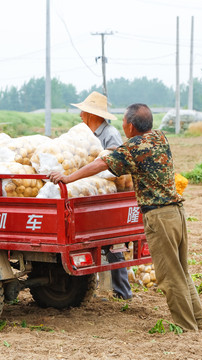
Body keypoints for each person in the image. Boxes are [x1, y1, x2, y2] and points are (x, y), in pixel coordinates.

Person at [49, 103, 202, 331]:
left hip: (159, 216)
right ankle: (198, 321)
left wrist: (68, 178)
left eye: (123, 122)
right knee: (181, 270)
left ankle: (187, 328)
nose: (122, 126)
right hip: (177, 213)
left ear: (130, 126)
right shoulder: (160, 138)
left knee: (170, 277)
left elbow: (102, 163)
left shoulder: (134, 147)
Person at [72, 91, 131, 300]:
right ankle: (96, 290)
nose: (80, 116)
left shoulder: (110, 134)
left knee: (113, 247)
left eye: (83, 112)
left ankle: (123, 293)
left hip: (106, 198)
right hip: (89, 196)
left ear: (91, 114)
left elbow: (110, 166)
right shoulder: (86, 134)